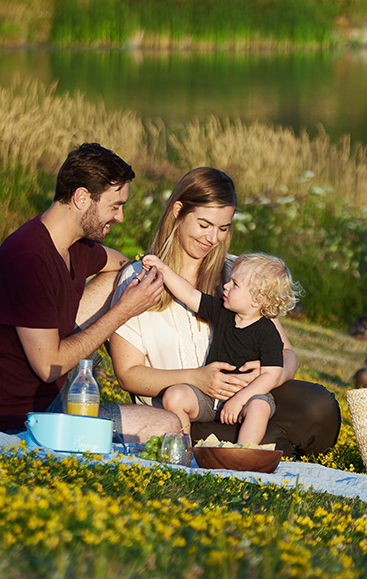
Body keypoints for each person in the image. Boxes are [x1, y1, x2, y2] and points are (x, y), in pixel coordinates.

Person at [109, 167, 341, 456]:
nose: (213, 238)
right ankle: (252, 446)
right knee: (263, 434)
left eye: (223, 228)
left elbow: (287, 356)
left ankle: (251, 442)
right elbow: (129, 375)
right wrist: (197, 377)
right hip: (187, 408)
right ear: (177, 212)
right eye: (204, 224)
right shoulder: (139, 278)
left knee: (319, 406)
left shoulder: (239, 273)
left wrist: (265, 376)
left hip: (244, 402)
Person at [0, 143, 180, 441]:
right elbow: (48, 367)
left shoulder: (75, 247)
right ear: (81, 198)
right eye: (114, 206)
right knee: (167, 427)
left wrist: (146, 272)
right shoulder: (28, 259)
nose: (120, 218)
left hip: (56, 398)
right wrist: (124, 311)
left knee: (118, 279)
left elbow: (119, 263)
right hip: (19, 420)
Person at [143, 252, 302, 445]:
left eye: (235, 284)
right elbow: (189, 294)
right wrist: (164, 270)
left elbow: (272, 375)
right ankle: (182, 447)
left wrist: (240, 399)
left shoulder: (268, 332)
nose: (226, 286)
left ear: (257, 300)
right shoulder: (222, 311)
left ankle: (242, 454)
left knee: (260, 407)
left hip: (248, 396)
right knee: (174, 396)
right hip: (210, 396)